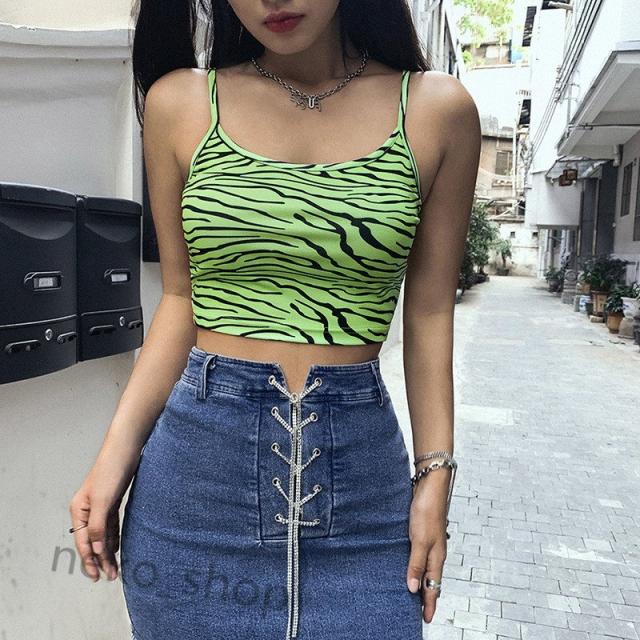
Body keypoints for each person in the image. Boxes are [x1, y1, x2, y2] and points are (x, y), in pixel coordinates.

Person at [68, 1, 480, 638]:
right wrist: (110, 461)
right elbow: (181, 300)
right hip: (194, 497)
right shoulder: (182, 103)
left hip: (362, 498)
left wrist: (435, 476)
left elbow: (429, 314)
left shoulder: (434, 110)